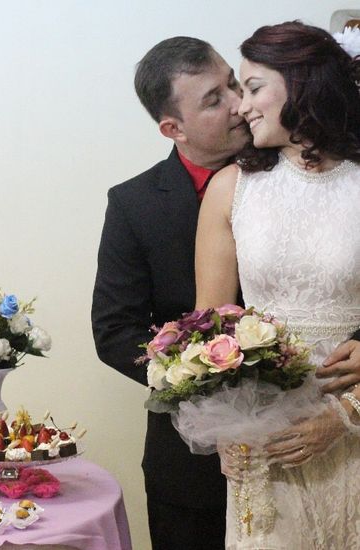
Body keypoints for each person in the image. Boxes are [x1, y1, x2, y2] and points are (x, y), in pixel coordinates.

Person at [195, 21, 360, 549]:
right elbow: (210, 329)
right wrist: (226, 428)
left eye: (254, 87)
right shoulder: (231, 188)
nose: (241, 106)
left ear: (303, 81)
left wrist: (346, 416)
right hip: (265, 437)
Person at [92, 36, 249, 549]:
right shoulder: (135, 203)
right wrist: (194, 378)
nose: (237, 102)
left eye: (233, 83)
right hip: (191, 458)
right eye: (213, 99)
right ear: (172, 128)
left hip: (312, 438)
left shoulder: (304, 171)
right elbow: (115, 330)